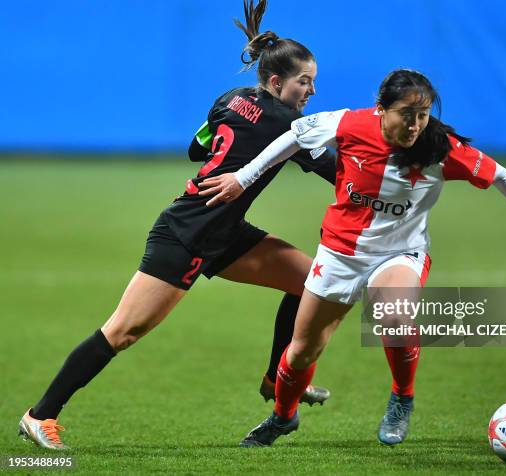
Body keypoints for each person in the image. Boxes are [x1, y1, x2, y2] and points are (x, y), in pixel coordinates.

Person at [18, 0, 336, 451]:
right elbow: (339, 172)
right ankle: (39, 415)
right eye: (305, 82)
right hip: (186, 234)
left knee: (309, 283)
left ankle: (276, 378)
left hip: (222, 231)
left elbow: (196, 145)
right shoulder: (289, 124)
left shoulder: (230, 99)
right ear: (277, 80)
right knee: (122, 331)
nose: (311, 92)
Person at [198, 68, 506, 447]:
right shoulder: (348, 124)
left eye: (423, 115)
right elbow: (293, 137)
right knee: (300, 352)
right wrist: (242, 178)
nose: (415, 124)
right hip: (340, 253)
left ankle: (401, 398)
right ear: (382, 109)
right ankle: (282, 417)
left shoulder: (440, 148)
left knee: (393, 314)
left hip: (399, 253)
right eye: (406, 114)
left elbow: (500, 176)